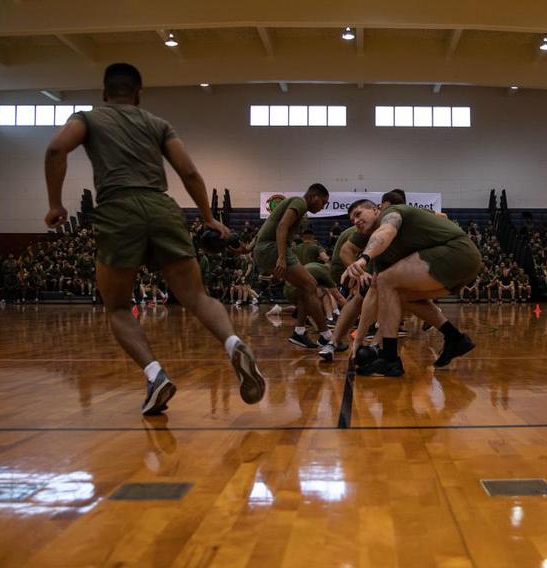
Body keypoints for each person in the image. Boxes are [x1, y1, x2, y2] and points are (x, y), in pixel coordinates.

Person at [42, 62, 266, 415]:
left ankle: (155, 374)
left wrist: (55, 204)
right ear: (138, 93)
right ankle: (233, 342)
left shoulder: (87, 118)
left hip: (118, 210)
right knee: (196, 296)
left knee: (117, 306)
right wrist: (208, 218)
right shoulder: (157, 124)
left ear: (104, 93)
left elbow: (56, 149)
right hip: (163, 208)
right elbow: (189, 172)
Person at [342, 199, 480, 376]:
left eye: (358, 214)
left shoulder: (390, 213)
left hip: (457, 252)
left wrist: (363, 258)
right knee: (398, 295)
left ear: (376, 209)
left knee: (386, 280)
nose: (355, 221)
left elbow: (386, 231)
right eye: (352, 220)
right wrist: (358, 342)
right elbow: (373, 294)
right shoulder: (382, 255)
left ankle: (390, 360)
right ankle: (455, 338)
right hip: (460, 267)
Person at [253, 184, 331, 349]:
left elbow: (268, 225)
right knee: (311, 284)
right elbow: (282, 226)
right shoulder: (299, 202)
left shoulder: (299, 208)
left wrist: (248, 248)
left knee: (305, 287)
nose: (323, 207)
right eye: (323, 203)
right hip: (272, 248)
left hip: (265, 248)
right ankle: (326, 336)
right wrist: (281, 256)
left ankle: (300, 332)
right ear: (314, 196)